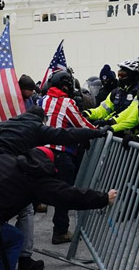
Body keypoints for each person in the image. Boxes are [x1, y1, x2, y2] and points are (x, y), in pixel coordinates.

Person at [0, 107, 106, 270]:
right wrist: (96, 132)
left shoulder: (5, 123)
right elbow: (66, 135)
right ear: (42, 120)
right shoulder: (35, 127)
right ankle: (24, 259)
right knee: (26, 209)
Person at [40, 71, 97, 244]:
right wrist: (98, 131)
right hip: (60, 155)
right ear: (67, 86)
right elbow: (82, 124)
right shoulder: (67, 103)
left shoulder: (42, 100)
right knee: (63, 194)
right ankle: (60, 231)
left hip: (39, 152)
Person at [85, 61, 139, 128]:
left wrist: (110, 122)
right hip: (114, 127)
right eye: (119, 75)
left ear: (132, 76)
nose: (120, 78)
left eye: (123, 75)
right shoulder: (116, 92)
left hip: (131, 129)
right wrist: (87, 113)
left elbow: (130, 114)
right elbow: (102, 110)